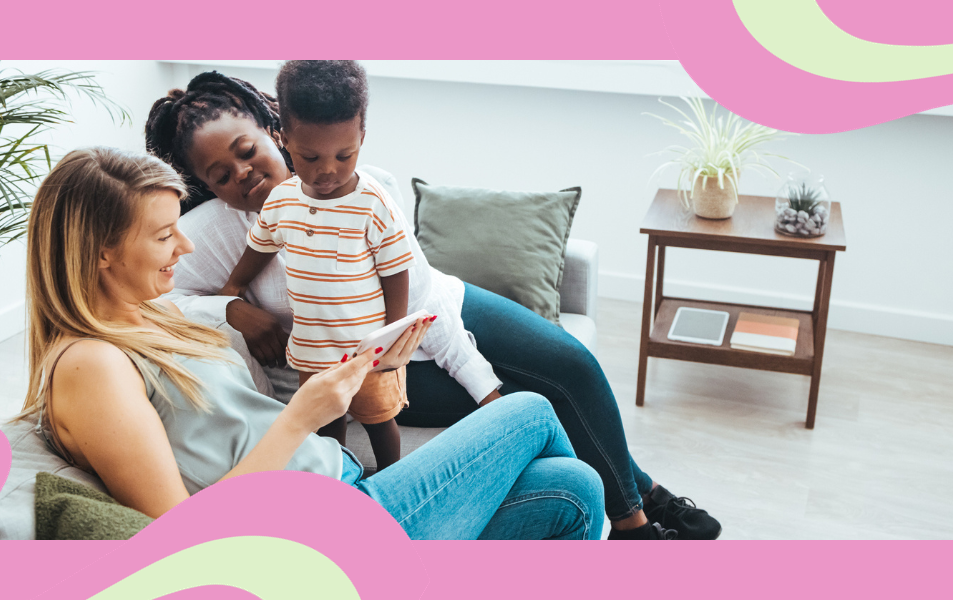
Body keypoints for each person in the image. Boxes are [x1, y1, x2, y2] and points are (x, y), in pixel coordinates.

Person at [147, 69, 722, 540]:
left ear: (276, 130)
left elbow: (419, 301)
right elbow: (154, 296)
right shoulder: (214, 231)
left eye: (248, 152)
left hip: (438, 315)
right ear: (202, 183)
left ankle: (639, 501)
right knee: (535, 400)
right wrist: (230, 310)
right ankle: (637, 521)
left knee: (568, 363)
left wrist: (472, 371)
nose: (243, 175)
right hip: (371, 364)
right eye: (220, 175)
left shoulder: (365, 187)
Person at [15, 146, 605, 540]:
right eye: (166, 235)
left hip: (348, 490)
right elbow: (179, 534)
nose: (187, 248)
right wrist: (301, 417)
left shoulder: (152, 318)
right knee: (528, 409)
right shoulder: (90, 366)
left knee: (576, 489)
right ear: (100, 252)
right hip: (326, 534)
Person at [219, 61, 412, 469]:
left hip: (369, 352)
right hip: (313, 353)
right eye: (310, 157)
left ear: (362, 137)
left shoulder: (373, 202)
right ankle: (338, 480)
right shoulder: (282, 199)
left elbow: (396, 271)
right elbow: (261, 246)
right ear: (283, 138)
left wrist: (393, 338)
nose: (328, 170)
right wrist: (232, 288)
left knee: (380, 420)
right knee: (327, 427)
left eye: (345, 155)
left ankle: (394, 480)